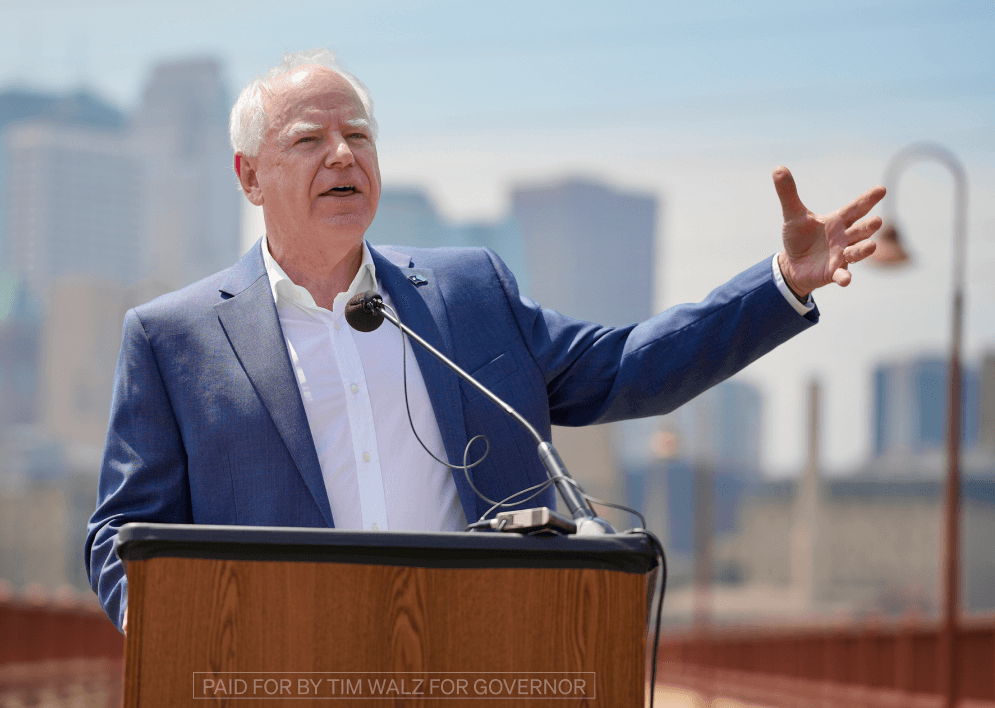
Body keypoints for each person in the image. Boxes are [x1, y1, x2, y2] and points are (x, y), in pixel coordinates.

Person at [85, 49, 885, 629]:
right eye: (308, 139)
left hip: (480, 657)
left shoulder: (466, 295)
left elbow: (627, 368)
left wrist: (780, 281)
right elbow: (119, 541)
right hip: (279, 675)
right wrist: (191, 644)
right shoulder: (174, 339)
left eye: (359, 137)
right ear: (250, 175)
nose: (343, 155)